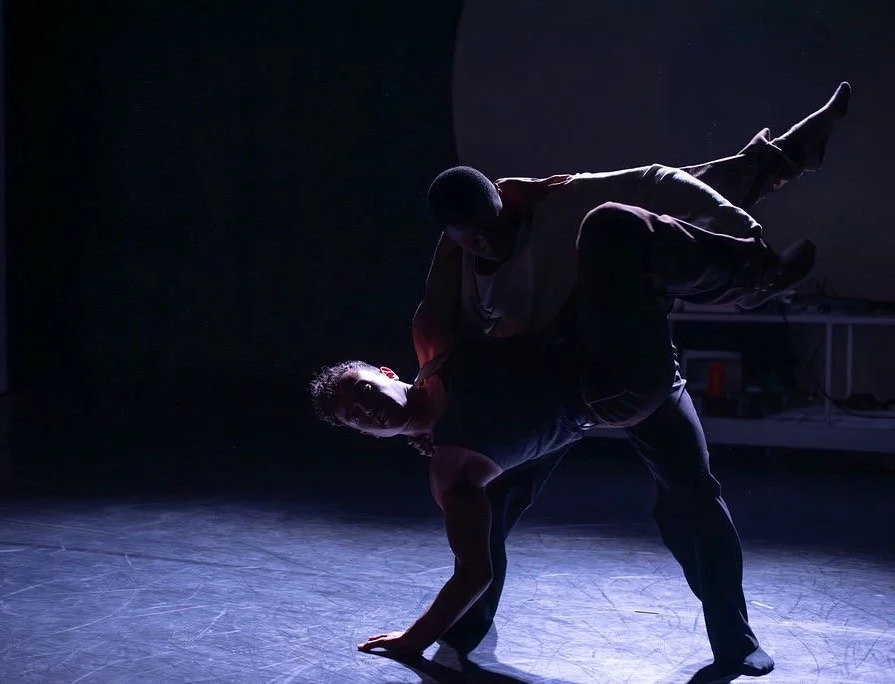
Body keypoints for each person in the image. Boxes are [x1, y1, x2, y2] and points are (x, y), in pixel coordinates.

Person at [315, 82, 852, 681]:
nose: (369, 407)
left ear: (387, 371)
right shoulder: (449, 444)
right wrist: (419, 636)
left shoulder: (540, 225)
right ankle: (463, 629)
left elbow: (661, 184)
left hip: (611, 357)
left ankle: (736, 640)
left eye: (366, 391)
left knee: (692, 495)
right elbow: (472, 563)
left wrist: (505, 189)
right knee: (497, 502)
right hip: (581, 396)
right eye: (357, 414)